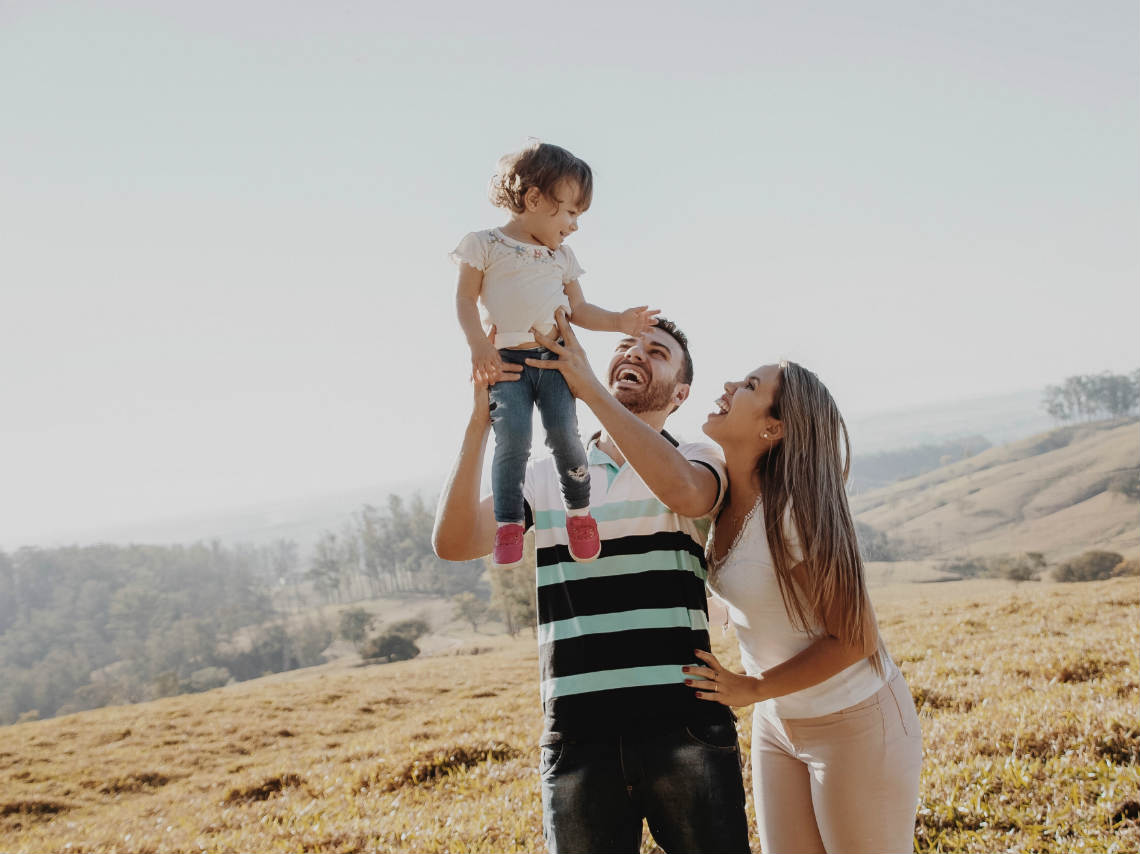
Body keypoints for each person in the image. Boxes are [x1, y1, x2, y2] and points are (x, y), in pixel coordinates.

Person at [527, 316, 923, 854]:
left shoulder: (795, 513)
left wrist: (752, 688)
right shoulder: (728, 496)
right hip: (779, 725)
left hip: (853, 721)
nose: (729, 388)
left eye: (750, 388)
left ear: (773, 428)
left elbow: (856, 638)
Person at [432, 312, 751, 854]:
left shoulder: (697, 458)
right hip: (578, 737)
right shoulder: (541, 476)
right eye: (628, 345)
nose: (635, 354)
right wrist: (480, 421)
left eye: (656, 353)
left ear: (681, 393)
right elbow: (455, 542)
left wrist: (588, 389)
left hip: (684, 727)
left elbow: (689, 497)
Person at [451, 140, 657, 569]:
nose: (575, 226)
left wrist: (619, 321)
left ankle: (579, 515)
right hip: (506, 364)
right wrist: (478, 346)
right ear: (533, 199)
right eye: (570, 213)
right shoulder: (483, 245)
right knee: (513, 442)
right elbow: (466, 301)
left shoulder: (562, 258)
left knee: (564, 435)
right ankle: (508, 525)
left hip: (555, 362)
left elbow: (579, 310)